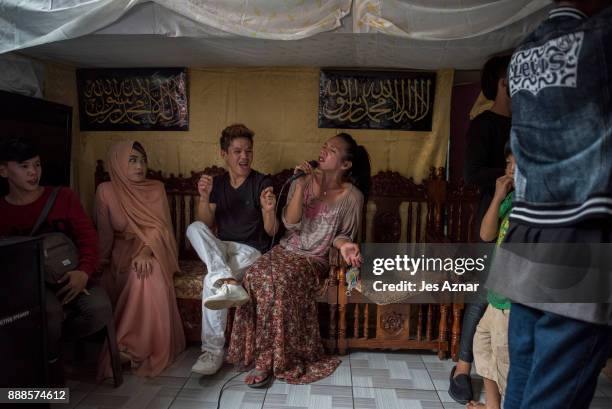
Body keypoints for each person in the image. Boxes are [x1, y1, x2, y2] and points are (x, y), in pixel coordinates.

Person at [487, 1, 612, 408]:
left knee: (522, 377)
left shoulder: (522, 53)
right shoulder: (600, 37)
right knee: (555, 393)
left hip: (524, 237)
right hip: (578, 240)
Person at [227, 132, 369, 387]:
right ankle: (254, 351)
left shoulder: (353, 197)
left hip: (314, 261)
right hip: (285, 250)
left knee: (279, 282)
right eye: (324, 146)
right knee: (254, 275)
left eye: (332, 150)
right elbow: (290, 223)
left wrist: (347, 246)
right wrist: (302, 185)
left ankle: (270, 360)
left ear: (345, 165)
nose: (324, 151)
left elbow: (342, 236)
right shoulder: (301, 181)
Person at [0, 136, 112, 385]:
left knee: (99, 309)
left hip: (72, 275)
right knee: (48, 314)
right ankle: (50, 368)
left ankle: (53, 348)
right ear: (4, 170)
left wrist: (83, 271)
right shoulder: (3, 211)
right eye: (24, 166)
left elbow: (88, 238)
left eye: (37, 165)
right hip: (31, 287)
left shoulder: (62, 197)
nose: (33, 173)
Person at [186, 124, 279, 375]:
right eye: (237, 151)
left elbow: (271, 232)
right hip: (222, 249)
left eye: (248, 151)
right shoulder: (216, 183)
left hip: (251, 251)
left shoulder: (262, 181)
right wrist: (204, 198)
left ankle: (213, 352)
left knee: (210, 280)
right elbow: (206, 225)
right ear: (224, 154)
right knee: (193, 227)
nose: (244, 157)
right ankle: (224, 276)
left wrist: (269, 211)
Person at [450, 54, 512, 404]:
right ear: (503, 82)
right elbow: (471, 174)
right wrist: (508, 177)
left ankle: (500, 382)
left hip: (522, 223)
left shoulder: (527, 125)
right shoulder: (485, 124)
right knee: (483, 295)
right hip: (491, 218)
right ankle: (461, 369)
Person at [95, 140, 185, 378]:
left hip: (155, 248)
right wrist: (96, 265)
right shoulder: (105, 190)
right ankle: (129, 345)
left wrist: (146, 250)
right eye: (132, 160)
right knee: (120, 276)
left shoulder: (155, 188)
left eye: (143, 160)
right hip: (119, 252)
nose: (140, 166)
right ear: (118, 162)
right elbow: (104, 235)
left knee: (146, 272)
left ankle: (132, 346)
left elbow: (161, 227)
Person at [468, 144, 514, 409]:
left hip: (512, 301)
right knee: (483, 345)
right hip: (496, 296)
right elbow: (486, 235)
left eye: (515, 166)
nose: (510, 170)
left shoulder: (531, 206)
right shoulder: (509, 200)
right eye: (508, 164)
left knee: (504, 360)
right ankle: (493, 406)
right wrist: (497, 196)